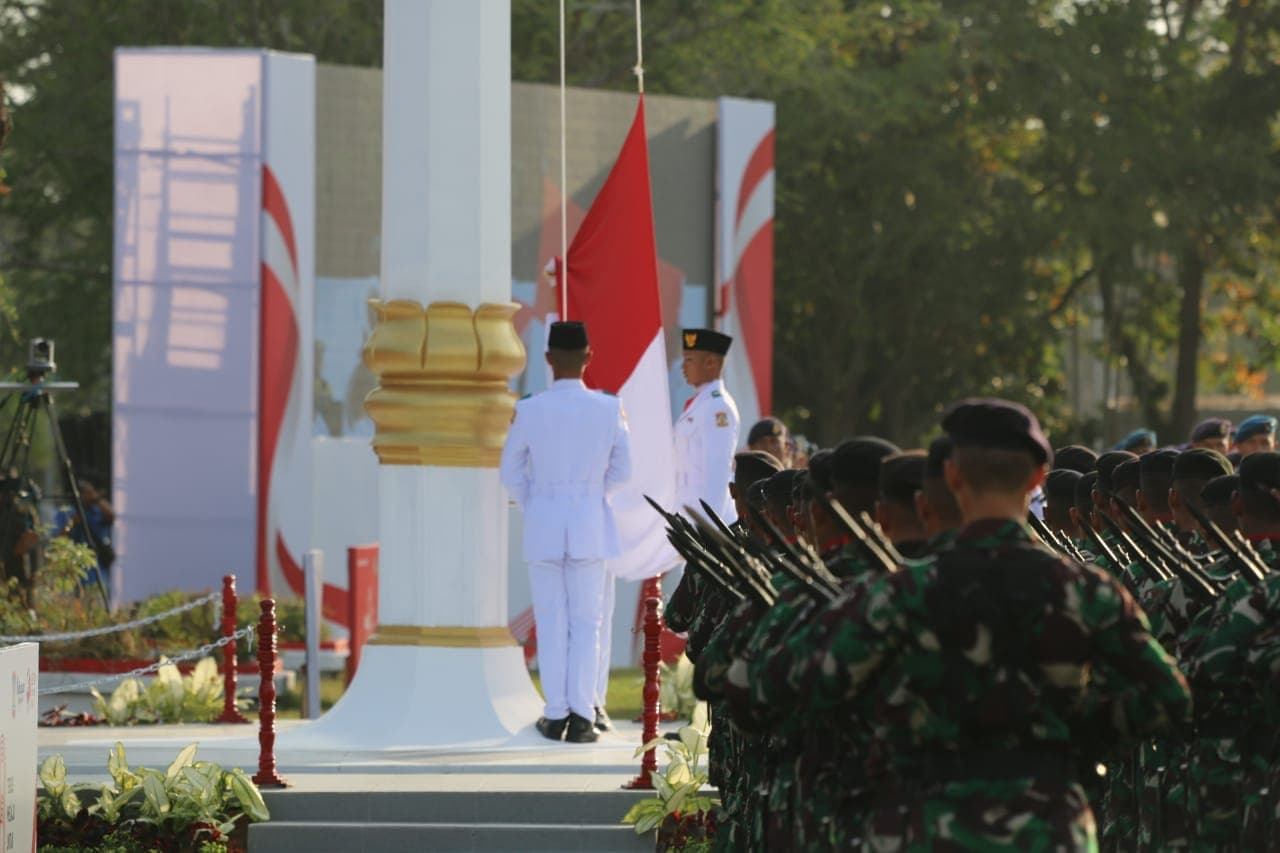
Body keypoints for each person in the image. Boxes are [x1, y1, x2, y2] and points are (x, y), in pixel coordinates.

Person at [787, 398, 1191, 850]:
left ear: (953, 477)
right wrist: (1077, 735)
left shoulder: (897, 594)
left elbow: (810, 683)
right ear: (1038, 479)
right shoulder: (1087, 591)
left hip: (927, 823)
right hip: (1049, 824)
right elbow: (1167, 697)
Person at [498, 321, 632, 743]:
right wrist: (591, 495)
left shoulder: (530, 408)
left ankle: (556, 712)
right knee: (588, 622)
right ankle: (582, 714)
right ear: (589, 357)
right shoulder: (610, 408)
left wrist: (535, 502)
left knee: (552, 620)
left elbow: (510, 472)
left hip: (544, 522)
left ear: (548, 359)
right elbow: (624, 471)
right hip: (589, 521)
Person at [674, 329, 740, 522]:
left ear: (710, 362)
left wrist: (707, 528)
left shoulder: (718, 407)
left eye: (689, 360)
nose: (682, 367)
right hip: (688, 514)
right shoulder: (701, 403)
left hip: (706, 520)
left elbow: (717, 476)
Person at [54, 478, 116, 592]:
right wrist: (72, 523)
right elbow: (56, 539)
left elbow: (111, 516)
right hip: (71, 569)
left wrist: (96, 498)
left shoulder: (97, 511)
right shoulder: (66, 512)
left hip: (97, 572)